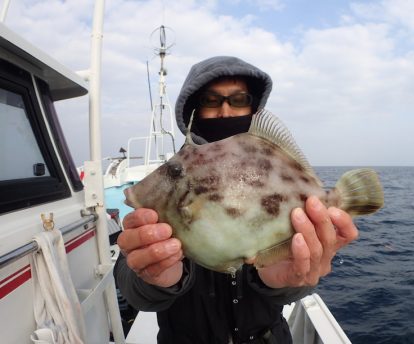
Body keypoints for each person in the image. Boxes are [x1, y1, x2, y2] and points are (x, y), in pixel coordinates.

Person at [114, 56, 358, 344]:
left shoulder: (269, 165)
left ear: (253, 107)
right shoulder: (183, 170)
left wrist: (288, 282)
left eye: (238, 99)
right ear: (194, 108)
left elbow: (290, 278)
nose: (225, 111)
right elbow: (131, 284)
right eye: (211, 100)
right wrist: (154, 277)